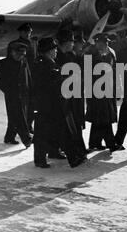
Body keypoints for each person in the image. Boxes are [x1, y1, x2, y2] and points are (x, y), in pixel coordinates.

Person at [32, 37, 87, 168]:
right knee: (58, 131)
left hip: (50, 104)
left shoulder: (47, 62)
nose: (56, 51)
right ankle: (72, 159)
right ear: (48, 51)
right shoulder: (44, 64)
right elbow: (50, 82)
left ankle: (48, 156)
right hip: (51, 104)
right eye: (53, 49)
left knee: (47, 132)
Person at [55, 29, 88, 158]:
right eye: (71, 41)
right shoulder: (57, 57)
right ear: (65, 42)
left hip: (74, 95)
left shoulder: (71, 55)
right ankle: (61, 150)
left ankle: (77, 149)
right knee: (64, 124)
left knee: (74, 122)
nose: (73, 44)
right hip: (64, 96)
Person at [0, 42, 32, 147]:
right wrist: (8, 91)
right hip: (12, 95)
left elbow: (28, 77)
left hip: (24, 94)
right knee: (20, 117)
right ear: (12, 52)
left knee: (14, 116)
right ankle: (27, 139)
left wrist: (31, 91)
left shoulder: (24, 61)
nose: (20, 56)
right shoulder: (3, 63)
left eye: (22, 54)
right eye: (18, 54)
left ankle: (9, 137)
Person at [85, 34, 118, 152]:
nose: (104, 44)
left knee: (100, 117)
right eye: (101, 42)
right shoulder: (89, 54)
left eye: (105, 42)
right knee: (104, 117)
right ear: (96, 43)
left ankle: (95, 142)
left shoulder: (111, 53)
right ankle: (111, 143)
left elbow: (114, 71)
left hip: (108, 88)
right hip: (96, 90)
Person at [8, 23, 36, 133]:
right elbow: (10, 62)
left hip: (32, 77)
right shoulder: (14, 44)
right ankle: (13, 132)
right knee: (17, 108)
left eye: (29, 32)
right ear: (20, 32)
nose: (28, 34)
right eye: (26, 32)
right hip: (20, 77)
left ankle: (29, 126)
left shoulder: (33, 43)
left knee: (32, 105)